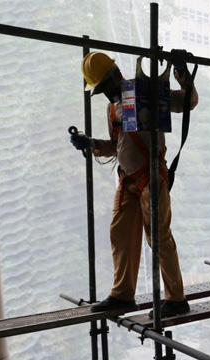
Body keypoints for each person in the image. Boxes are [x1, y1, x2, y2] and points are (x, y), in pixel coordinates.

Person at [71, 51, 197, 318]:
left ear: (116, 75)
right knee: (120, 234)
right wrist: (91, 144)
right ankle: (122, 295)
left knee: (159, 238)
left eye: (106, 86)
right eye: (101, 90)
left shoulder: (147, 93)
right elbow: (118, 147)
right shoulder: (112, 109)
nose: (106, 93)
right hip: (128, 181)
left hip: (151, 179)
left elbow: (189, 102)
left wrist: (182, 73)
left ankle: (176, 298)